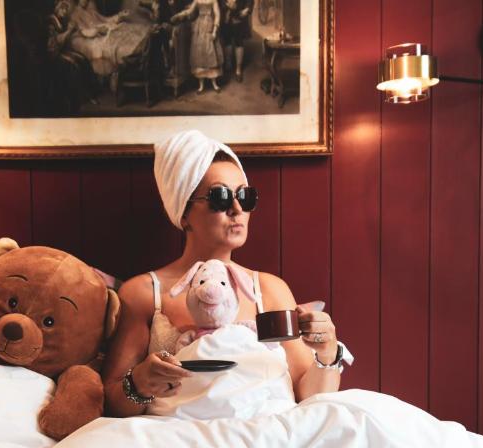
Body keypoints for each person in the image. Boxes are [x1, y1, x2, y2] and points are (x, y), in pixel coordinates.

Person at [103, 130, 348, 418]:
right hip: (180, 435)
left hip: (267, 432)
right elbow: (112, 401)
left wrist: (328, 353)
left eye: (246, 196)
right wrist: (141, 382)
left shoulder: (269, 290)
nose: (236, 209)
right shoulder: (145, 293)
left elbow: (310, 397)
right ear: (183, 213)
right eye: (219, 197)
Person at [173, 0, 223, 93]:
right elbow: (189, 11)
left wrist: (215, 30)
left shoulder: (213, 0)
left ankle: (214, 83)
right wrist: (179, 15)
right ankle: (201, 85)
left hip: (209, 24)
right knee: (199, 53)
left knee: (210, 52)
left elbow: (217, 15)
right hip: (199, 26)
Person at [220, 0, 252, 82]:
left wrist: (247, 9)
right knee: (227, 41)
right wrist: (225, 5)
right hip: (225, 16)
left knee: (239, 42)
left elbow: (249, 1)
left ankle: (238, 69)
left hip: (239, 14)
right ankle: (228, 64)